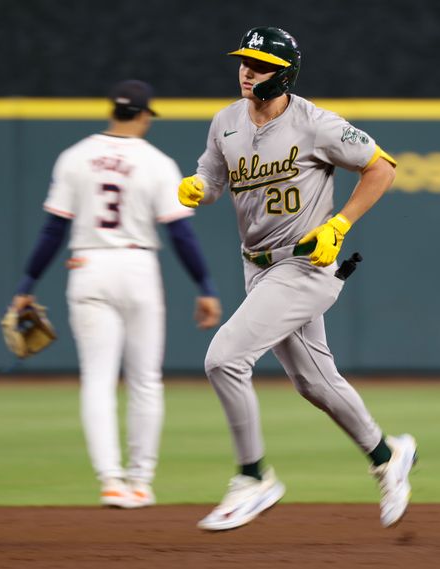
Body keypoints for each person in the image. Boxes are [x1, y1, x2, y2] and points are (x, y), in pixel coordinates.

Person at [178, 27, 417, 531]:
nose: (247, 71)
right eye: (244, 61)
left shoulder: (317, 124)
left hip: (306, 262)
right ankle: (386, 455)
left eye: (259, 64)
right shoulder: (225, 122)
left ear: (284, 73)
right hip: (256, 265)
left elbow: (382, 168)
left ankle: (253, 477)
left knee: (224, 360)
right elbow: (214, 178)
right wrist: (200, 187)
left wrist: (339, 224)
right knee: (314, 381)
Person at [10, 79, 222, 508]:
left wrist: (26, 286)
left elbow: (54, 230)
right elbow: (181, 233)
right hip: (138, 267)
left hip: (88, 267)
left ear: (112, 111)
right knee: (146, 380)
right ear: (144, 115)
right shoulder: (156, 162)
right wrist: (205, 286)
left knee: (98, 381)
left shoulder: (75, 157)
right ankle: (141, 481)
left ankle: (110, 481)